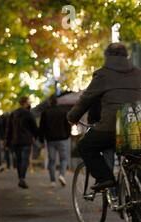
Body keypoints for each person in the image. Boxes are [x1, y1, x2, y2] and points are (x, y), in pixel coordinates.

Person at [68, 43, 141, 192]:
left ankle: (105, 178)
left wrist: (73, 116)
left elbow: (86, 99)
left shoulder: (103, 74)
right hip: (136, 127)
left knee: (85, 146)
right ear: (126, 56)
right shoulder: (138, 73)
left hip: (111, 127)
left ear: (107, 56)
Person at [39, 95, 72, 187]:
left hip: (50, 139)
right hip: (62, 138)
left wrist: (41, 140)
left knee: (52, 160)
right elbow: (67, 125)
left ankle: (52, 181)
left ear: (49, 102)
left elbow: (42, 128)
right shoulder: (63, 111)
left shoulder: (45, 112)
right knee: (63, 158)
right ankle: (62, 175)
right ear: (57, 102)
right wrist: (67, 135)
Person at [6, 96, 38, 189]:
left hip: (15, 140)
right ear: (25, 103)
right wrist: (35, 136)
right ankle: (22, 178)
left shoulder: (13, 113)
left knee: (19, 160)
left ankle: (20, 177)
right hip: (26, 140)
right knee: (25, 160)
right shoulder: (28, 114)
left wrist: (8, 142)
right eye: (28, 102)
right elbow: (34, 127)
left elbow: (9, 129)